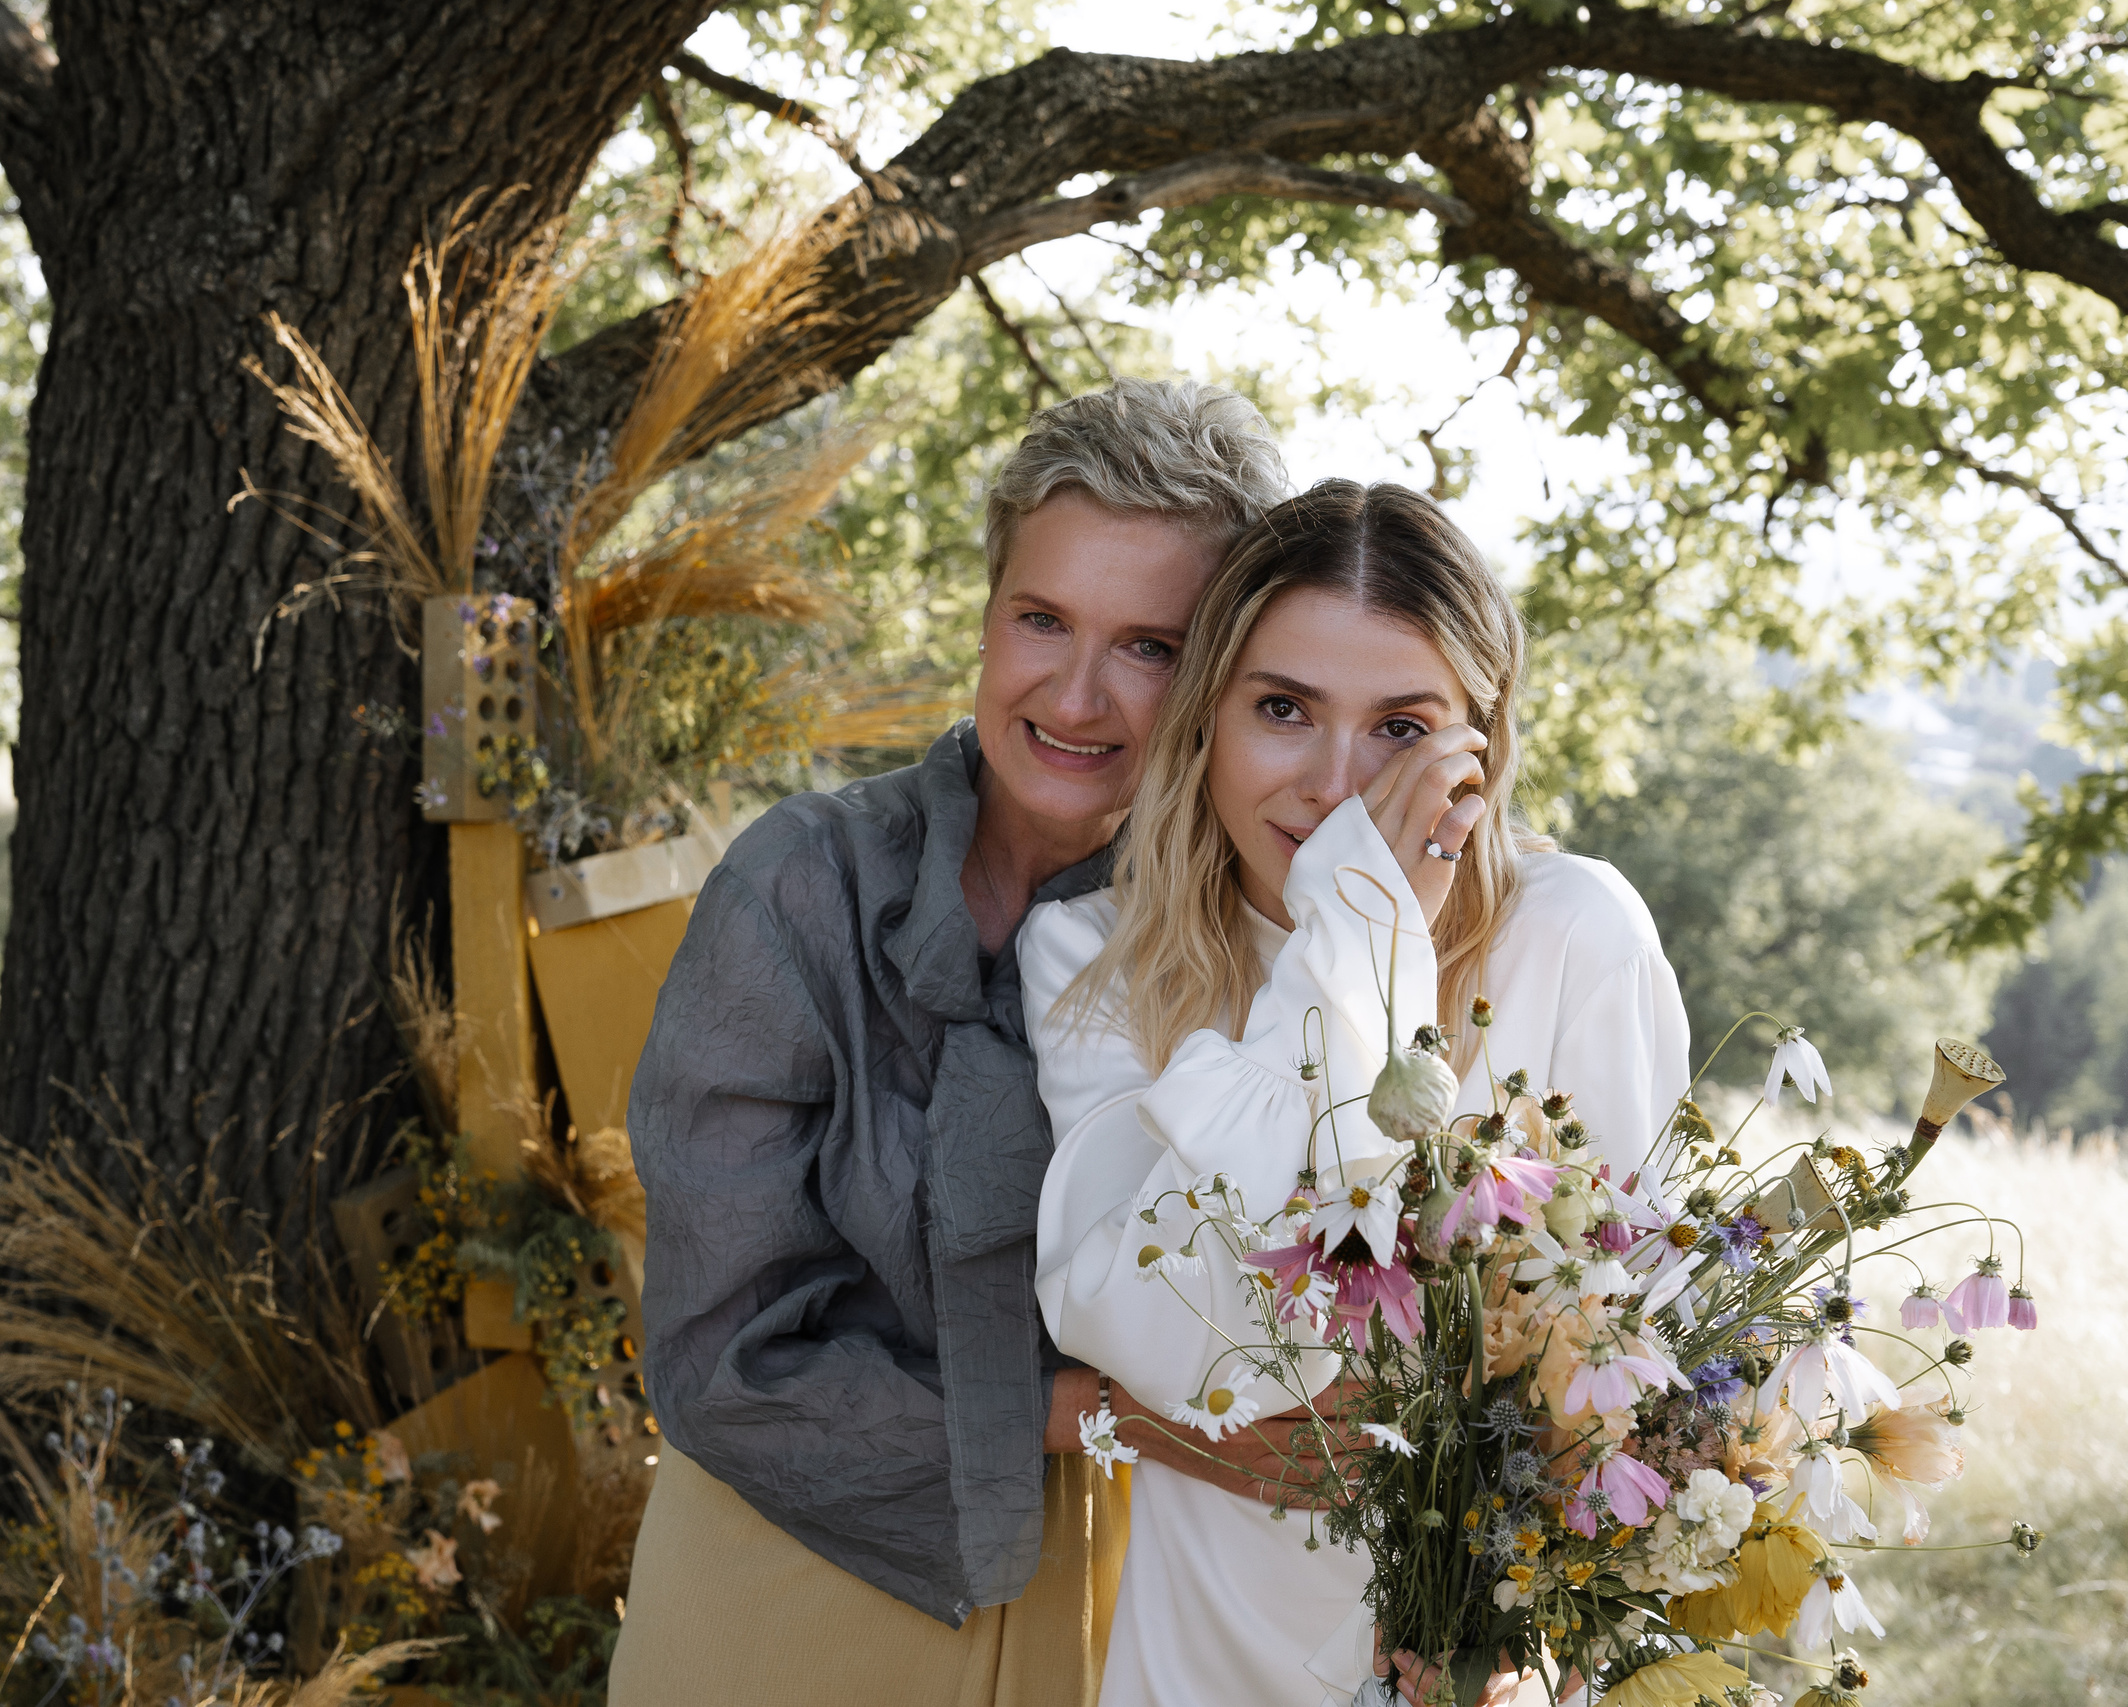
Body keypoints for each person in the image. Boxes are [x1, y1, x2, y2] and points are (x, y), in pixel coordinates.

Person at [610, 380, 1294, 1707]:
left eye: (1149, 645)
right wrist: (1126, 1417)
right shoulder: (799, 888)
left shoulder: (1247, 947)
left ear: (1219, 675)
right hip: (781, 1587)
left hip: (1091, 1604)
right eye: (1042, 619)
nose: (1076, 694)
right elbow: (720, 1364)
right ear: (987, 618)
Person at [1022, 480, 1690, 1706]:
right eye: (1282, 709)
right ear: (1208, 716)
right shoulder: (1095, 959)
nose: (1335, 786)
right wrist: (1360, 945)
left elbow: (1637, 1343)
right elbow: (1174, 1342)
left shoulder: (1572, 933)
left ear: (1479, 744)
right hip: (1202, 1659)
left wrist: (1525, 1635)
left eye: (1399, 728)